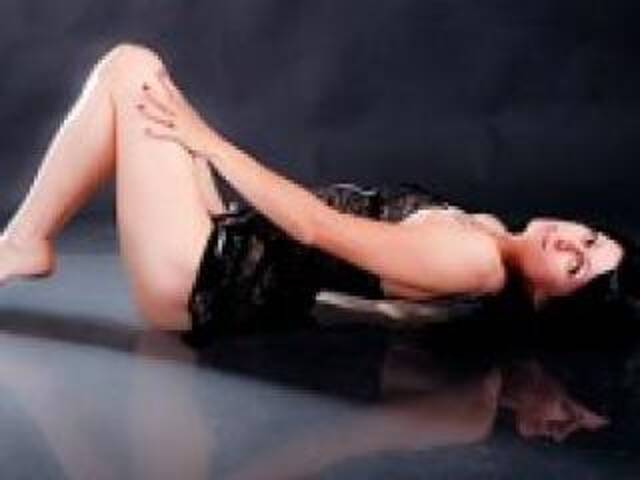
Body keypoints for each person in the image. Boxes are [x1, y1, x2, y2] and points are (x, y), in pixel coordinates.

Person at [0, 43, 636, 349]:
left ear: (545, 301)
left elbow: (315, 229)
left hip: (199, 280)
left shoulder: (475, 261)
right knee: (150, 82)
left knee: (130, 69)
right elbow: (373, 290)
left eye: (575, 267)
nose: (570, 243)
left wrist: (207, 142)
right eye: (589, 238)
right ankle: (25, 240)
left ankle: (24, 243)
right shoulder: (488, 233)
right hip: (231, 244)